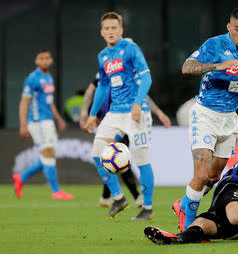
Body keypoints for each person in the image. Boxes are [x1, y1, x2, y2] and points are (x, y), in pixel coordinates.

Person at [173, 7, 238, 231]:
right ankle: (188, 228)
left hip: (229, 119)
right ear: (229, 27)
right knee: (200, 174)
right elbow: (187, 67)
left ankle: (184, 202)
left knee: (213, 177)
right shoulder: (214, 44)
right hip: (205, 115)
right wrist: (217, 66)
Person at [83, 12, 156, 220]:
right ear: (102, 32)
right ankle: (118, 198)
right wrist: (92, 114)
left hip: (137, 112)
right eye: (107, 28)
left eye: (114, 27)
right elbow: (103, 85)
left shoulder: (131, 49)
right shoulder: (103, 56)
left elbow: (146, 78)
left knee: (141, 158)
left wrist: (137, 104)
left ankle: (148, 207)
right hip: (115, 113)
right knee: (97, 152)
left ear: (121, 30)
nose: (111, 31)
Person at [80, 70, 171, 208]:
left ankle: (108, 197)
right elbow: (91, 91)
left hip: (132, 118)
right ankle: (134, 196)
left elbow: (143, 95)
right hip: (113, 119)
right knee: (117, 156)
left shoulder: (130, 69)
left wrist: (158, 112)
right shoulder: (105, 69)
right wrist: (85, 113)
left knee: (113, 157)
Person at [13, 50, 74, 200]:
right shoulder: (32, 78)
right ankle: (56, 191)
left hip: (47, 121)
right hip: (37, 121)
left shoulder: (48, 77)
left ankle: (21, 178)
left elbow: (49, 101)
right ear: (36, 61)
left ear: (51, 60)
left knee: (49, 155)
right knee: (48, 154)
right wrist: (22, 124)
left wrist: (58, 118)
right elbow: (24, 101)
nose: (45, 60)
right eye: (41, 58)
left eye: (47, 58)